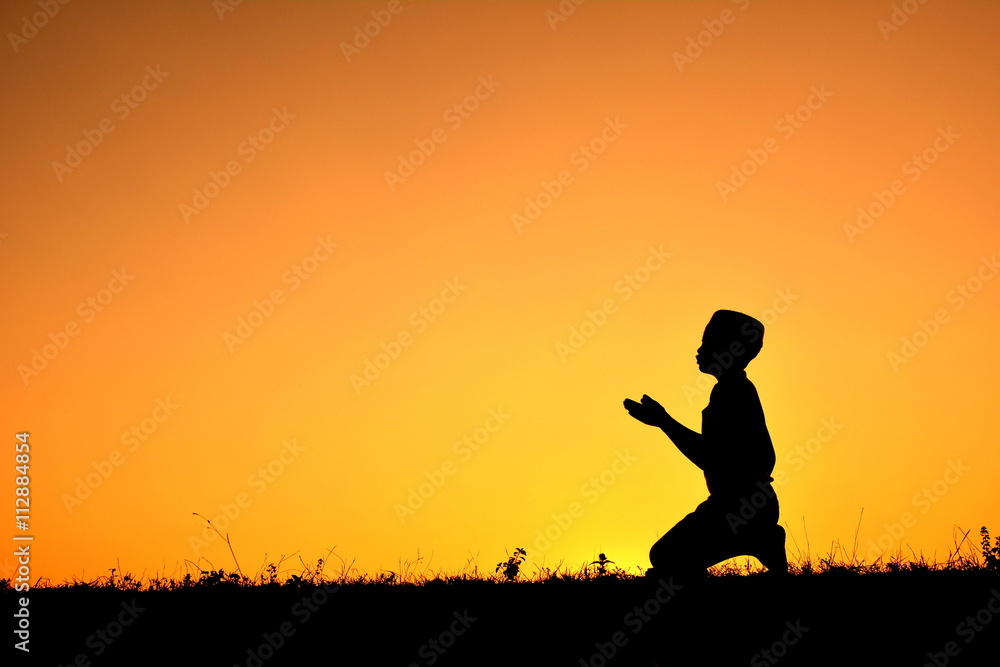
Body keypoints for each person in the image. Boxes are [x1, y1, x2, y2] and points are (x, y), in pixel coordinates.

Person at [623, 310, 787, 580]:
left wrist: (664, 422)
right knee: (668, 557)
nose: (699, 350)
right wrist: (663, 421)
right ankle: (758, 538)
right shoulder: (733, 389)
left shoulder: (732, 392)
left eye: (708, 343)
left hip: (739, 504)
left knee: (666, 556)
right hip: (741, 502)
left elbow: (711, 456)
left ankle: (758, 538)